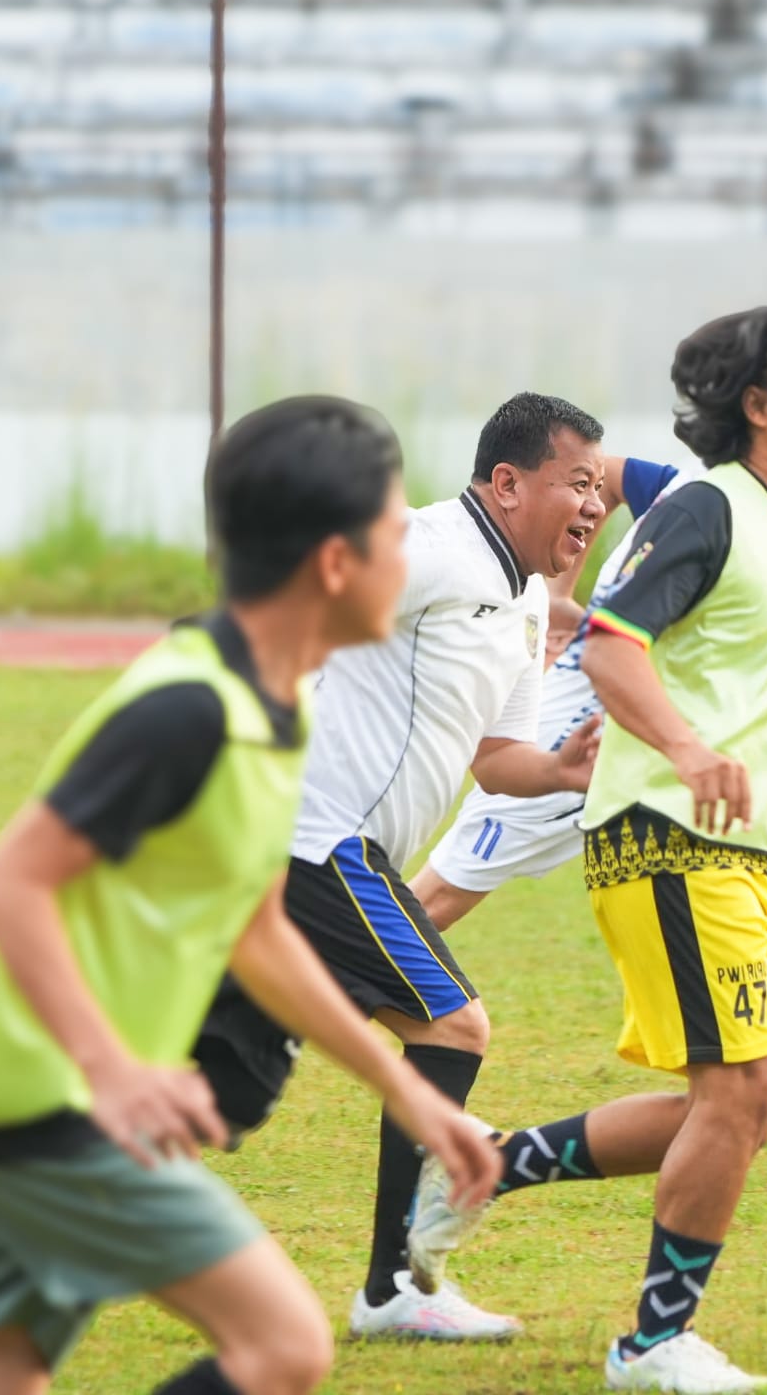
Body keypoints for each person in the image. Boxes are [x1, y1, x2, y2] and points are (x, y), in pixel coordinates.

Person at [0, 396, 500, 1395]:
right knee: (283, 1346)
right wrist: (112, 1069)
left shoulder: (275, 708)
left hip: (18, 1100)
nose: (414, 552)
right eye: (395, 534)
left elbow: (255, 929)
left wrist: (409, 1094)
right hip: (51, 1107)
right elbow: (8, 883)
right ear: (334, 564)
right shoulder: (191, 707)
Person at [408, 306, 767, 1395]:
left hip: (745, 847)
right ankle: (653, 1344)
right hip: (664, 833)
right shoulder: (709, 507)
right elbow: (614, 651)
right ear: (757, 405)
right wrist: (684, 749)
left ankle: (490, 1163)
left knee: (738, 1110)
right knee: (738, 1097)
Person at [196, 392, 607, 1341]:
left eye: (598, 488)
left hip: (341, 852)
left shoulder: (525, 597)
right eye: (577, 482)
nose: (594, 505)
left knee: (214, 1091)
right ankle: (392, 1287)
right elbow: (295, 608)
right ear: (507, 484)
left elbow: (498, 762)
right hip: (314, 837)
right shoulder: (429, 546)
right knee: (452, 1024)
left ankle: (23, 1167)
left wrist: (560, 769)